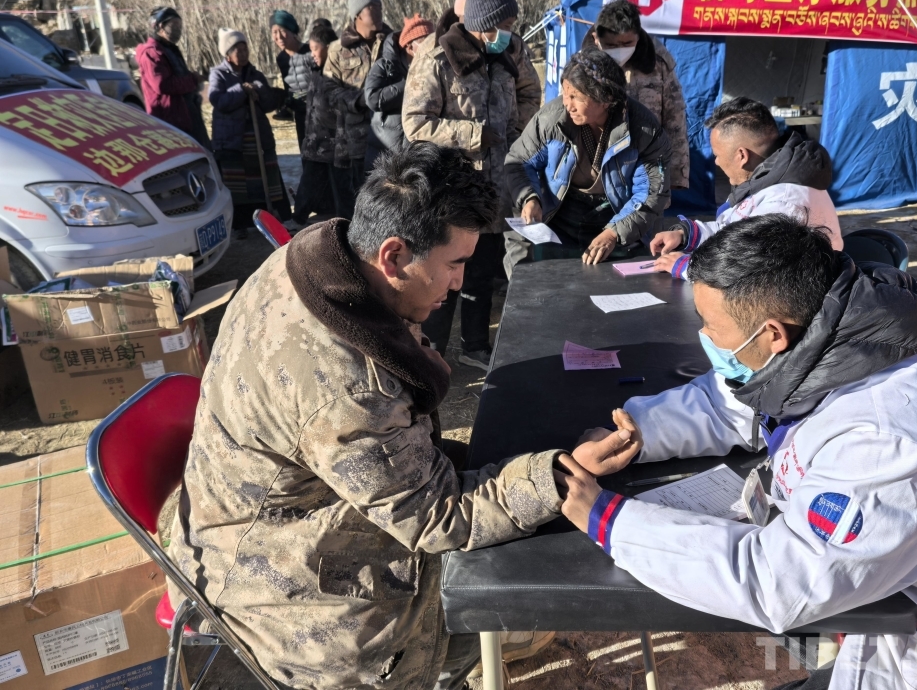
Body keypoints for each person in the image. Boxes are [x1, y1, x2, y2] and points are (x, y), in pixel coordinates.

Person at [166, 142, 638, 690]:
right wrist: (557, 474)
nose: (460, 282)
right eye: (454, 264)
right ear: (392, 256)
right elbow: (438, 518)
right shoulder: (349, 390)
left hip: (267, 515)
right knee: (502, 564)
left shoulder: (317, 257)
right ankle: (459, 652)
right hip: (282, 588)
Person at [556, 213, 917, 690]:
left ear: (771, 334)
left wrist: (610, 520)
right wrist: (636, 434)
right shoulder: (830, 341)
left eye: (711, 325)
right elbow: (728, 404)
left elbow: (777, 581)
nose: (704, 337)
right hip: (904, 607)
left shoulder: (889, 442)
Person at [401, 0, 520, 371]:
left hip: (492, 190)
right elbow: (415, 124)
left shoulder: (503, 58)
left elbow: (520, 107)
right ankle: (430, 349)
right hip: (451, 191)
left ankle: (475, 345)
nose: (510, 33)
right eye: (505, 25)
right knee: (443, 275)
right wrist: (472, 134)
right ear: (484, 23)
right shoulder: (437, 58)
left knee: (481, 274)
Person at [504, 47, 670, 276]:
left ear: (605, 99)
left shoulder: (643, 130)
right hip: (560, 215)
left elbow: (651, 193)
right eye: (565, 94)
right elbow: (519, 161)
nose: (567, 104)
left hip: (618, 216)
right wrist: (530, 198)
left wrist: (614, 232)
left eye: (576, 97)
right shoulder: (551, 120)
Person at [650, 97, 842, 278]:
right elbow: (734, 234)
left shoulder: (784, 203)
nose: (716, 162)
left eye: (717, 155)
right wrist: (686, 235)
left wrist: (689, 266)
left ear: (741, 155)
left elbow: (751, 271)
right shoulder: (765, 184)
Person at [423, 0, 541, 138]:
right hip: (455, 151)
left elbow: (530, 92)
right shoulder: (434, 52)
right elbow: (419, 120)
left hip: (505, 150)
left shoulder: (511, 46)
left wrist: (512, 133)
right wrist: (473, 136)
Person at [588, 0, 688, 194]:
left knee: (647, 212)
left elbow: (675, 119)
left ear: (638, 37)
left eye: (627, 43)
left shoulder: (658, 64)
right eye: (611, 44)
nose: (620, 49)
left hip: (648, 166)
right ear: (596, 39)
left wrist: (676, 173)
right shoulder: (584, 67)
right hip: (598, 170)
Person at [208, 28, 290, 235]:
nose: (244, 54)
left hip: (257, 138)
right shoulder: (218, 74)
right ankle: (241, 225)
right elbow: (218, 100)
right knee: (237, 184)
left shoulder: (255, 74)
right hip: (232, 139)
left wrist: (258, 89)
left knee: (264, 178)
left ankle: (271, 218)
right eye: (238, 50)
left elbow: (269, 104)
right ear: (228, 54)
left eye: (245, 49)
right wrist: (241, 90)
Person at [324, 0, 393, 220]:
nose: (379, 12)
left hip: (388, 136)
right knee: (355, 202)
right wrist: (358, 100)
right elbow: (329, 92)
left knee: (387, 198)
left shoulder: (393, 42)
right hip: (353, 138)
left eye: (380, 7)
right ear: (358, 15)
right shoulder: (338, 50)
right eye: (372, 8)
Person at [363, 13, 433, 170]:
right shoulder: (385, 66)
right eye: (426, 43)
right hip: (384, 153)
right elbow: (372, 98)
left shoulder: (432, 69)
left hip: (415, 155)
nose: (431, 48)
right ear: (410, 46)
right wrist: (410, 86)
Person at [286, 24, 340, 231]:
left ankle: (342, 222)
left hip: (333, 140)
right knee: (311, 181)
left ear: (328, 47)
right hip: (317, 139)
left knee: (337, 186)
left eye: (315, 49)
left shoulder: (338, 72)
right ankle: (299, 219)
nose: (312, 54)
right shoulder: (316, 71)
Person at [135, 7, 210, 148]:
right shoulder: (152, 53)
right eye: (174, 24)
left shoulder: (171, 50)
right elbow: (162, 85)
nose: (178, 29)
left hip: (186, 116)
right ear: (159, 26)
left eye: (179, 25)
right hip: (169, 121)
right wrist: (192, 80)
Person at [269, 9, 311, 143]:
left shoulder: (310, 52)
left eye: (283, 31)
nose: (279, 37)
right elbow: (290, 88)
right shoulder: (281, 58)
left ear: (293, 31)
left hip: (320, 114)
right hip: (300, 116)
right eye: (274, 32)